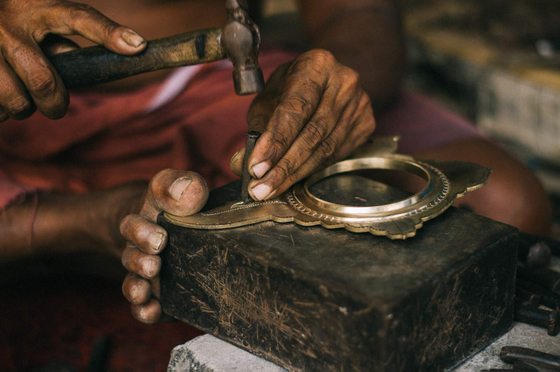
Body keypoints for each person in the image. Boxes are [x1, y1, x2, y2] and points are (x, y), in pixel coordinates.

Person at [0, 0, 551, 328]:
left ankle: (140, 227)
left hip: (215, 94)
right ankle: (73, 224)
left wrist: (328, 91)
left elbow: (356, 13)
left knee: (502, 206)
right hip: (16, 131)